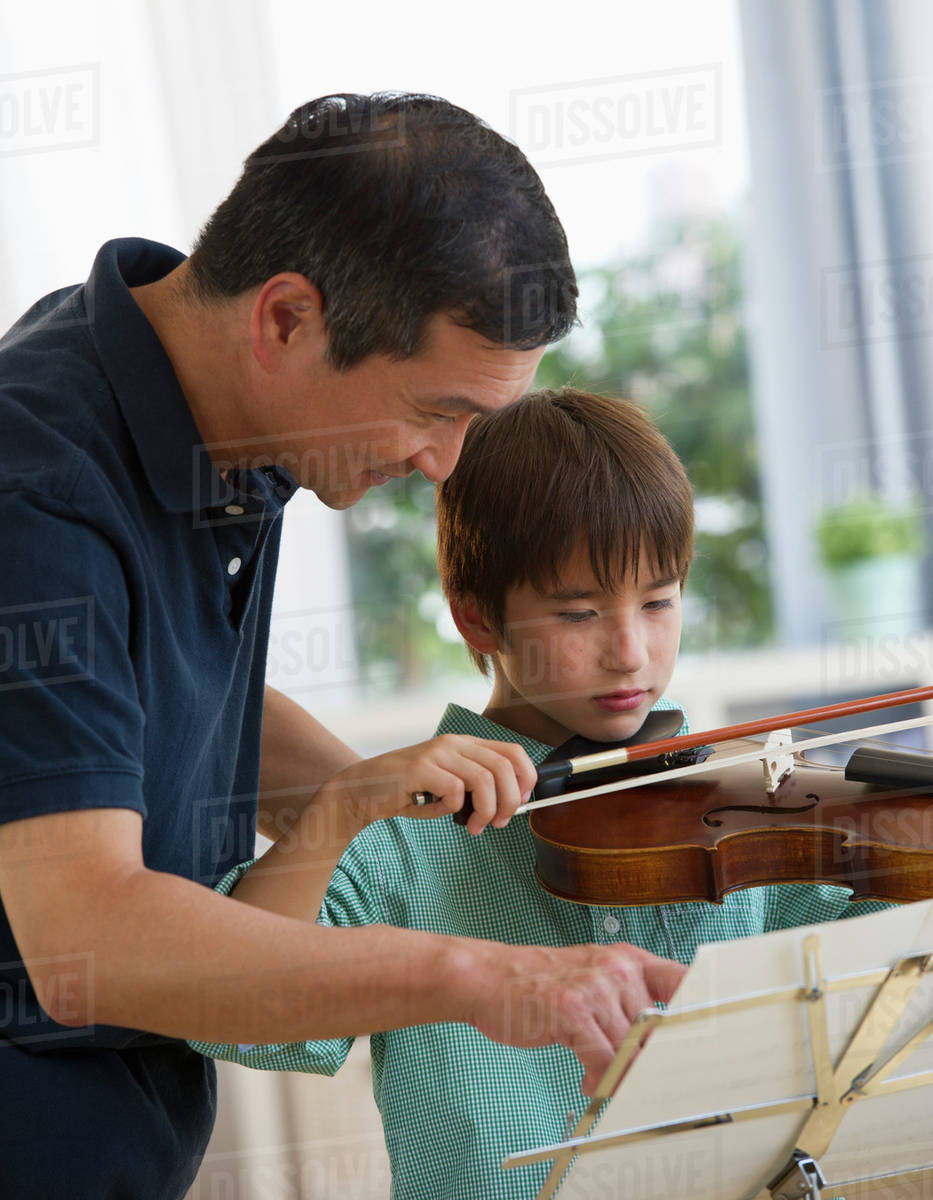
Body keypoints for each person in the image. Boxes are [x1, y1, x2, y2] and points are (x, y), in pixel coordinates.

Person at [0, 96, 684, 1199]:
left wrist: (404, 798)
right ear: (286, 320)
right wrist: (480, 975)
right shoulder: (37, 494)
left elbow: (134, 695)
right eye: (438, 411)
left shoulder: (224, 413)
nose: (448, 466)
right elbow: (92, 939)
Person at [191, 388, 897, 1200]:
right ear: (477, 621)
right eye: (578, 613)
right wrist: (343, 804)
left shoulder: (736, 818)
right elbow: (241, 1012)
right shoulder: (399, 841)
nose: (629, 653)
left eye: (658, 601)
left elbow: (885, 954)